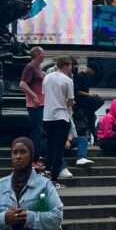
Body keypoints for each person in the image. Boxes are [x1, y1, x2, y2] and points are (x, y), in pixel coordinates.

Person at [42, 56, 75, 187]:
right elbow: (71, 101)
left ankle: (46, 171)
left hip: (47, 116)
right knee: (58, 148)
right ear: (66, 65)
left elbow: (45, 93)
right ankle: (54, 178)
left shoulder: (47, 77)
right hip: (61, 116)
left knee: (50, 145)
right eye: (71, 65)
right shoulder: (68, 80)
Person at [19, 47, 46, 164]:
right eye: (42, 53)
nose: (44, 55)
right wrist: (33, 96)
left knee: (39, 131)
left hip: (41, 103)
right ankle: (32, 158)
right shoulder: (30, 66)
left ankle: (35, 156)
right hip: (34, 104)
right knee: (37, 131)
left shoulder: (38, 68)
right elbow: (22, 84)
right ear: (37, 54)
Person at [72, 63, 104, 141]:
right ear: (90, 69)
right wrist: (90, 95)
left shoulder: (87, 78)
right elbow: (77, 91)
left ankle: (95, 137)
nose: (93, 74)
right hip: (80, 100)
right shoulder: (80, 76)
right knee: (100, 101)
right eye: (93, 72)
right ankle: (84, 112)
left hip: (85, 100)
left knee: (92, 118)